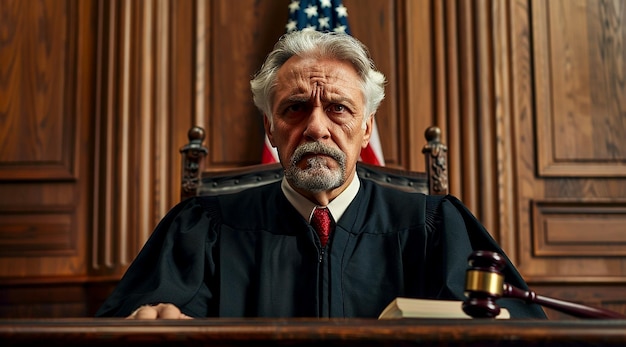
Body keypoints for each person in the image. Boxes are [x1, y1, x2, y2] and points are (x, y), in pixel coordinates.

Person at [96, 30, 546, 319]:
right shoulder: (204, 230)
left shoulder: (433, 225)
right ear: (269, 126)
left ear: (366, 126)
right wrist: (154, 320)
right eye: (294, 108)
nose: (315, 125)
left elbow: (514, 323)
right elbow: (136, 321)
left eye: (338, 108)